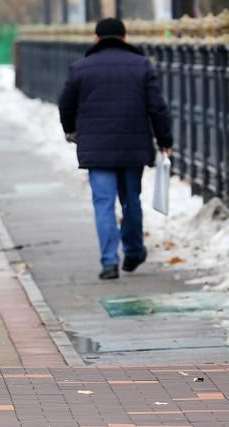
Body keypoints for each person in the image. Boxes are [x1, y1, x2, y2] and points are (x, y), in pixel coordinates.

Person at [58, 17, 173, 280]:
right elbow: (157, 107)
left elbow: (65, 104)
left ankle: (109, 261)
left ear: (96, 39)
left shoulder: (81, 68)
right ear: (125, 38)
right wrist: (165, 140)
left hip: (97, 148)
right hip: (133, 146)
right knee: (131, 200)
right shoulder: (142, 65)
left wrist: (70, 129)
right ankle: (133, 250)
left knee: (103, 204)